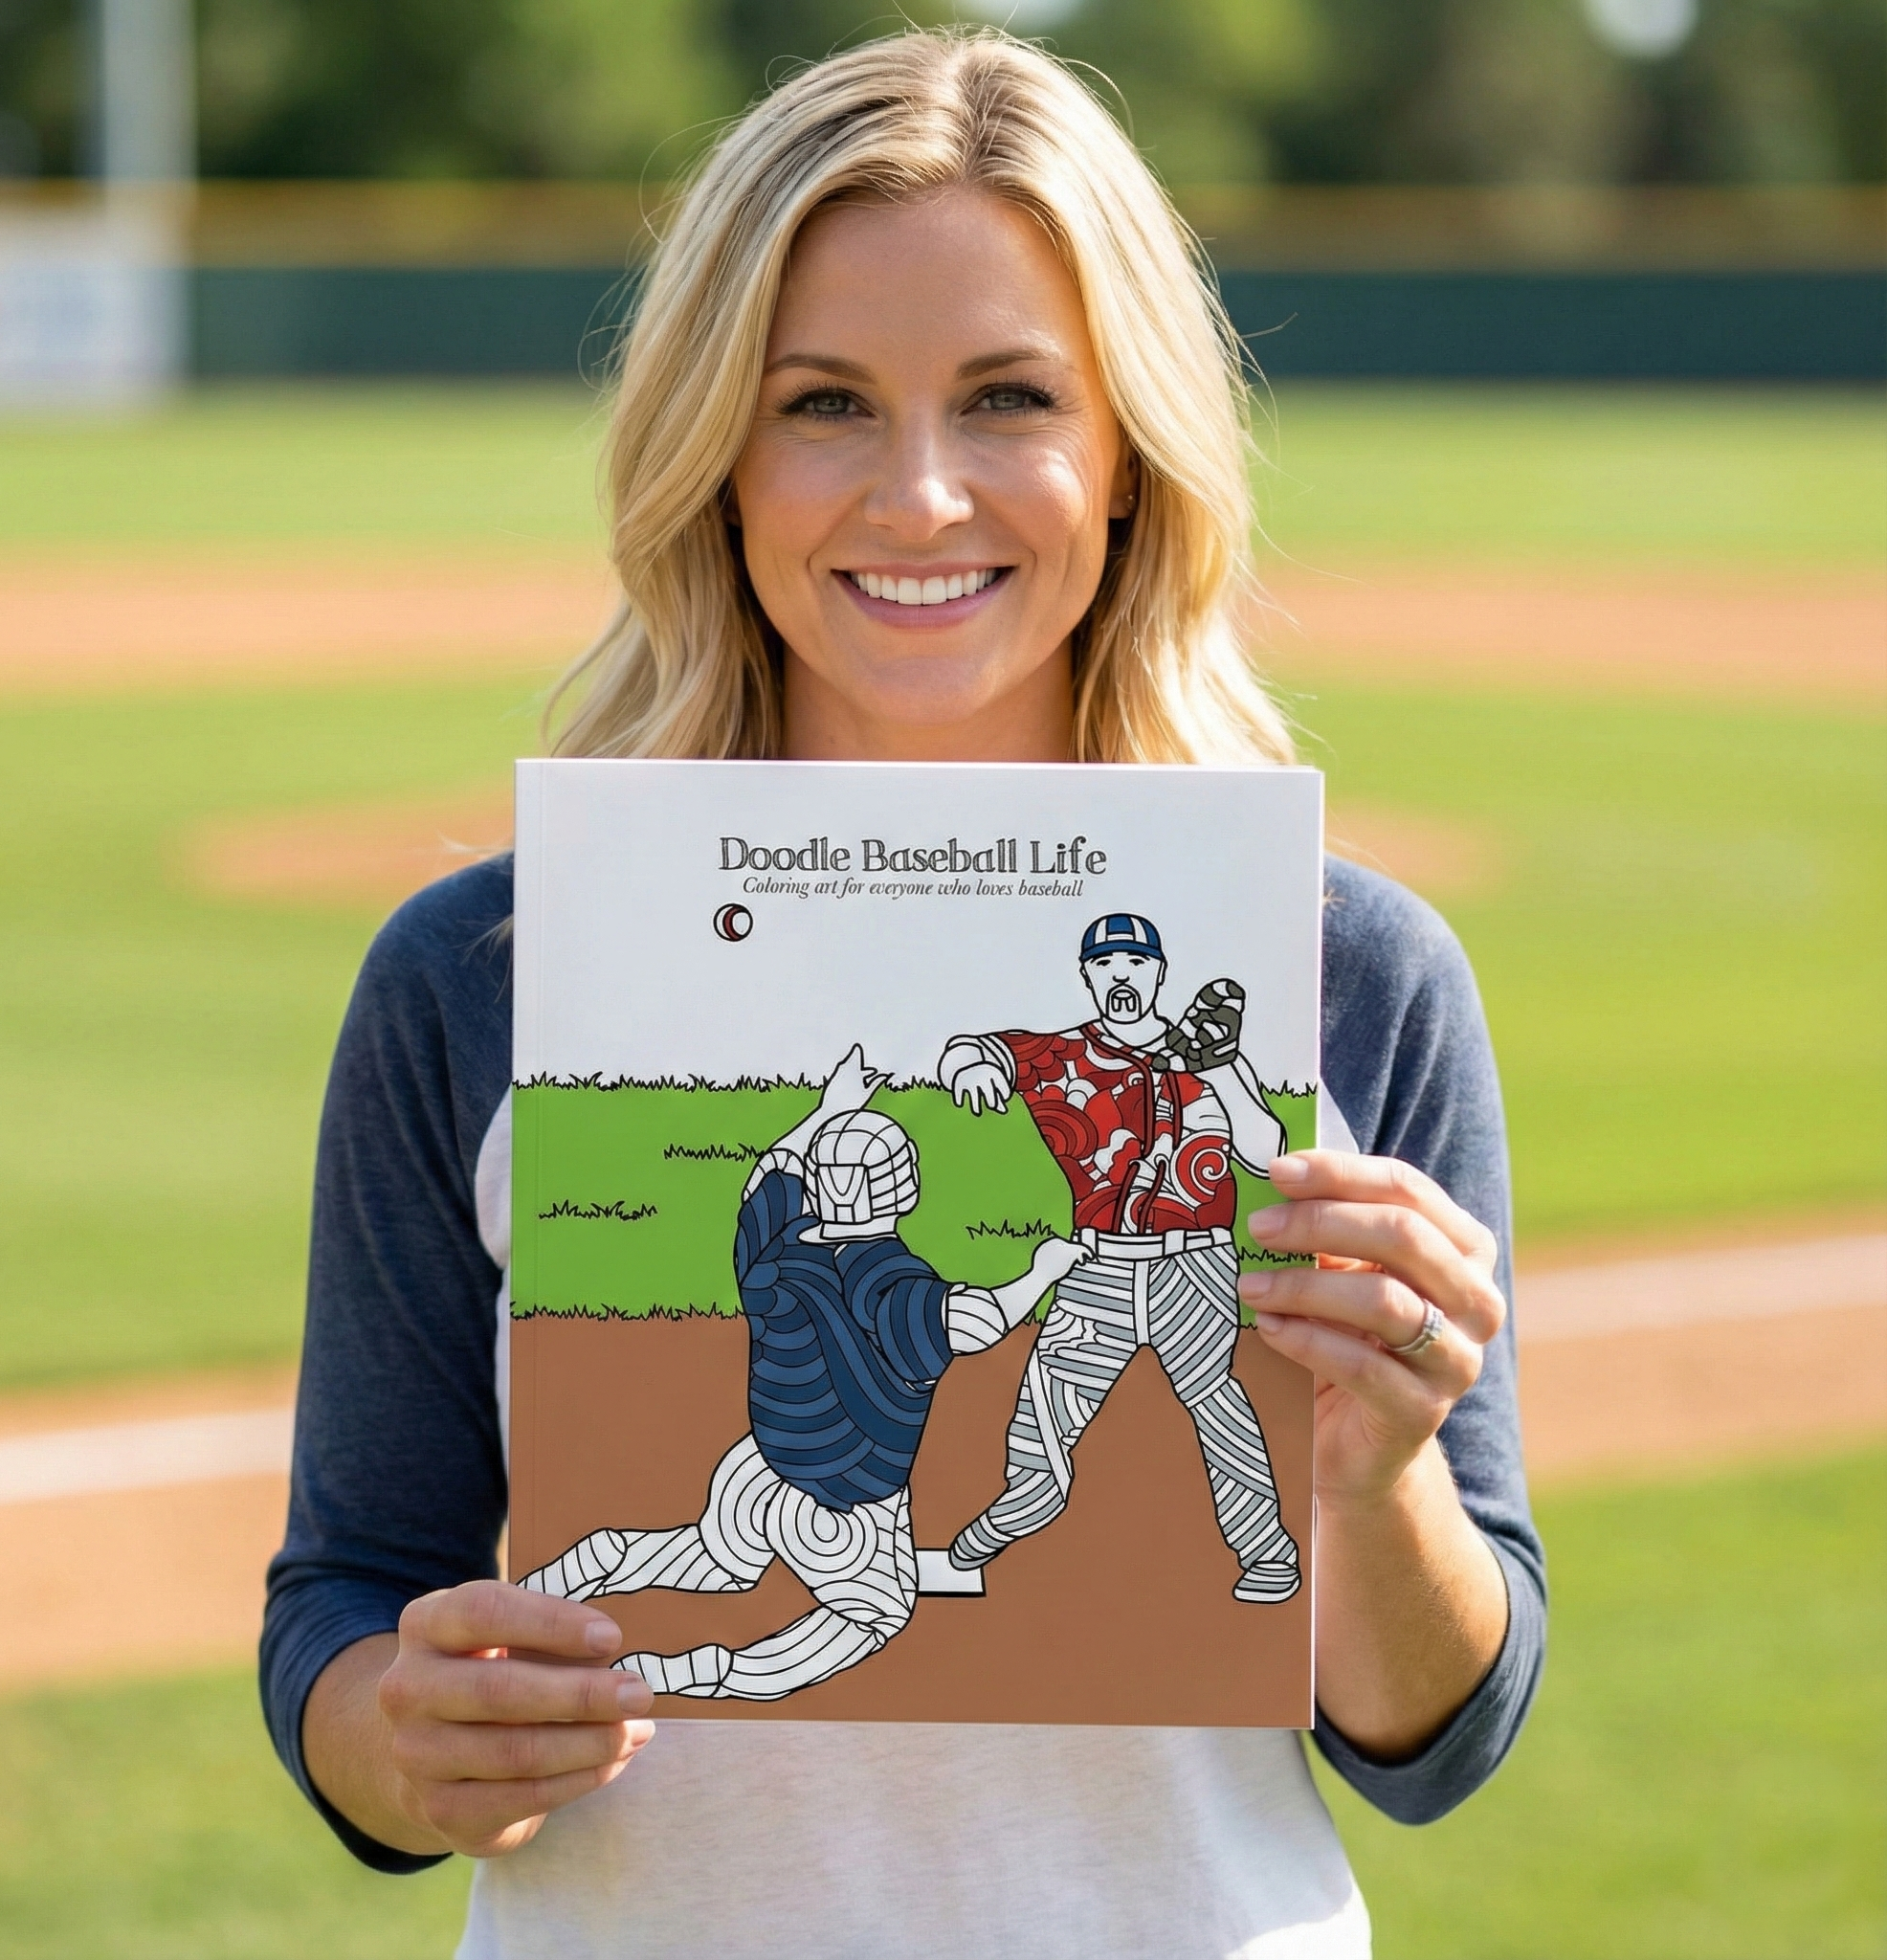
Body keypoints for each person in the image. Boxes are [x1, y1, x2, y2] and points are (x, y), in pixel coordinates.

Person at [261, 27, 1543, 1959]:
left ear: (1126, 456)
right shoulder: (486, 975)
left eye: (1011, 396)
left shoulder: (1343, 975)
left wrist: (1376, 1476)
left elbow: (1434, 1739)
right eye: (825, 403)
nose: (922, 494)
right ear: (713, 448)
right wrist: (400, 1730)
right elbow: (352, 1592)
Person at [515, 1045, 1087, 1698]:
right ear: (904, 1188)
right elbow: (976, 1321)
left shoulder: (771, 1252)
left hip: (758, 1468)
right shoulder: (891, 1283)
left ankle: (563, 1579)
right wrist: (1043, 1271)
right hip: (847, 1499)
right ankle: (690, 1674)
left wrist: (830, 1109)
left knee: (716, 1559)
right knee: (876, 1613)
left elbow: (768, 1173)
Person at [937, 912, 1301, 1601]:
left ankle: (1268, 1557)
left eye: (1136, 962)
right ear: (1088, 977)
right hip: (1096, 1267)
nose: (1122, 975)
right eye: (1106, 965)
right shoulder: (1061, 1058)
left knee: (1217, 1405)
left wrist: (1219, 1071)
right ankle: (975, 1546)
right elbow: (976, 1049)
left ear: (1159, 973)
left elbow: (1268, 1153)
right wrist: (971, 1066)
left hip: (1191, 1264)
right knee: (1045, 1413)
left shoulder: (1209, 1057)